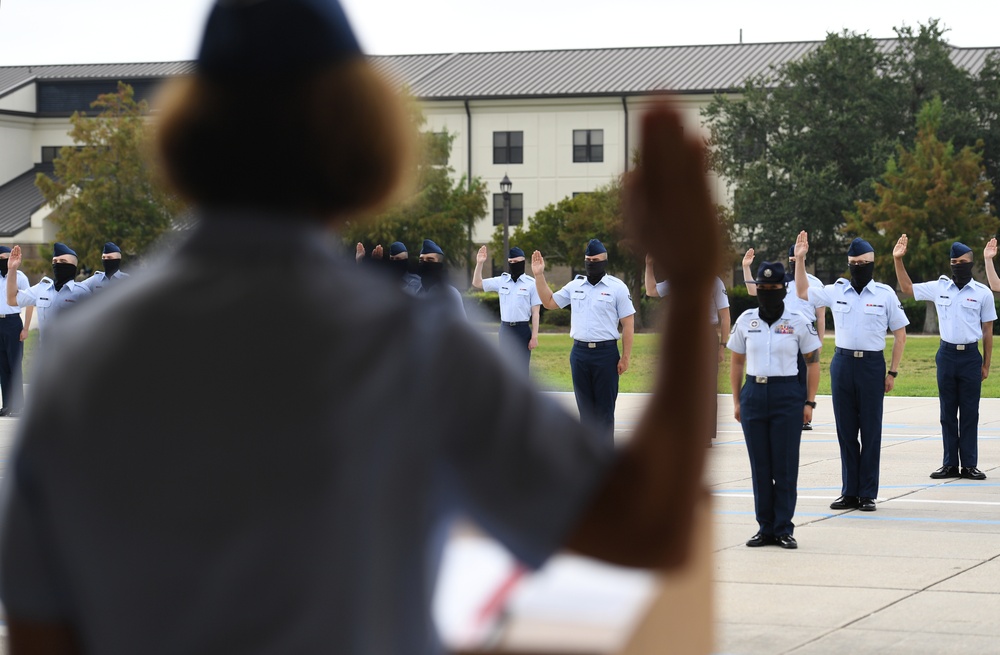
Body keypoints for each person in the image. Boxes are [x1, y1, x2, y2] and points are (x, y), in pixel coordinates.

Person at [0, 1, 719, 653]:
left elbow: (39, 627)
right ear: (357, 129)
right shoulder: (408, 343)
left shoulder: (83, 348)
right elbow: (645, 522)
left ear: (193, 130)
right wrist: (689, 282)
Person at [793, 232, 908, 512]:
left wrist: (892, 372)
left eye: (863, 262)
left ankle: (867, 493)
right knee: (845, 431)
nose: (858, 267)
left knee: (870, 431)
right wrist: (799, 259)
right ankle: (849, 491)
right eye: (853, 262)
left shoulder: (885, 294)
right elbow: (802, 292)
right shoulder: (836, 290)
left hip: (871, 366)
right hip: (843, 364)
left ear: (872, 263)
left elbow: (901, 334)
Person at [729, 261, 821, 549]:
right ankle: (764, 527)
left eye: (773, 288)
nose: (767, 293)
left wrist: (809, 402)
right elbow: (736, 361)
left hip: (787, 395)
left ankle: (783, 528)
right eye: (762, 288)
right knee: (760, 466)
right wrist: (737, 399)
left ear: (784, 289)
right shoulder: (745, 320)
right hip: (754, 393)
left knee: (783, 466)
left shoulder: (797, 321)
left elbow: (814, 362)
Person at [894, 235, 994, 481]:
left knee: (970, 412)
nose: (956, 265)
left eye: (961, 261)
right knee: (947, 412)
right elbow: (907, 288)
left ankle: (969, 464)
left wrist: (986, 364)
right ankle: (949, 463)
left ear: (970, 263)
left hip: (971, 356)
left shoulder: (982, 293)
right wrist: (898, 260)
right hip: (946, 355)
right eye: (953, 261)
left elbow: (988, 331)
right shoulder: (940, 287)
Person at [532, 239, 635, 446]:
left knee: (605, 412)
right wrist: (539, 276)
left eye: (595, 260)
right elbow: (549, 302)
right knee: (585, 413)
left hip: (606, 354)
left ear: (604, 261)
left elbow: (628, 323)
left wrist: (625, 357)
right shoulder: (575, 285)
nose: (590, 263)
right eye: (587, 260)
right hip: (579, 354)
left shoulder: (617, 288)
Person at [743, 245, 826, 430]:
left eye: (797, 259)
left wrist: (819, 341)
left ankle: (804, 415)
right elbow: (753, 291)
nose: (793, 263)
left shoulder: (815, 283)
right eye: (791, 260)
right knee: (784, 375)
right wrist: (746, 267)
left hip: (806, 334)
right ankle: (784, 412)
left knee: (805, 375)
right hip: (783, 333)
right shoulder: (781, 282)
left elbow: (821, 316)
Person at [645, 254, 730, 364]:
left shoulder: (714, 282)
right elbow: (651, 291)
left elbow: (725, 317)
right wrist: (649, 264)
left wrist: (722, 347)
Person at [472, 245, 541, 373]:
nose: (514, 264)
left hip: (522, 330)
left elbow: (535, 312)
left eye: (517, 262)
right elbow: (477, 283)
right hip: (505, 329)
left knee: (522, 368)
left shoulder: (532, 284)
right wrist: (480, 263)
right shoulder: (502, 281)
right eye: (511, 262)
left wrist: (534, 336)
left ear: (523, 262)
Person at [5, 242, 91, 341]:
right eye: (55, 261)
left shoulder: (82, 293)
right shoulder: (41, 289)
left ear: (73, 266)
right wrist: (12, 269)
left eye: (63, 261)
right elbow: (12, 300)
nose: (57, 264)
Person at [0, 247, 32, 417]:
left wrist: (26, 328)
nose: (2, 261)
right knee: (2, 367)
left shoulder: (20, 278)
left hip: (13, 323)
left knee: (14, 365)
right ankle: (7, 405)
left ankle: (18, 406)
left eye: (5, 258)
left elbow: (29, 303)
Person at [417, 238, 467, 319]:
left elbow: (461, 326)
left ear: (439, 265)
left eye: (430, 260)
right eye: (421, 260)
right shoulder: (413, 290)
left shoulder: (451, 294)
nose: (424, 264)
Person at [355, 241, 422, 295]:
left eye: (398, 258)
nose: (395, 262)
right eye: (392, 258)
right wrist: (360, 262)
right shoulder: (385, 279)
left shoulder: (415, 282)